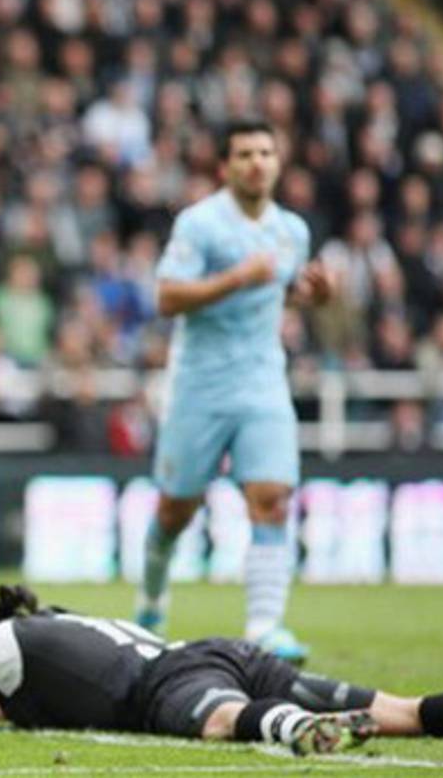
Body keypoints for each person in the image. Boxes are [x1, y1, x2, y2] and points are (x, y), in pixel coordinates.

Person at [135, 120, 334, 662]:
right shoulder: (200, 225)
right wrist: (236, 279)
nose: (257, 162)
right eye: (245, 153)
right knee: (177, 509)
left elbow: (281, 291)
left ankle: (266, 626)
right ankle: (151, 600)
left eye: (266, 152)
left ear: (277, 162)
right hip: (199, 383)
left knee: (270, 499)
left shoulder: (292, 230)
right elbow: (167, 298)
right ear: (225, 167)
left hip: (263, 379)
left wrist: (312, 296)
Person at [0, 585, 443, 755]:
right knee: (402, 713)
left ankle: (295, 729)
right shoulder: (64, 629)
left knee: (224, 722)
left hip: (172, 687)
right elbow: (19, 702)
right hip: (221, 654)